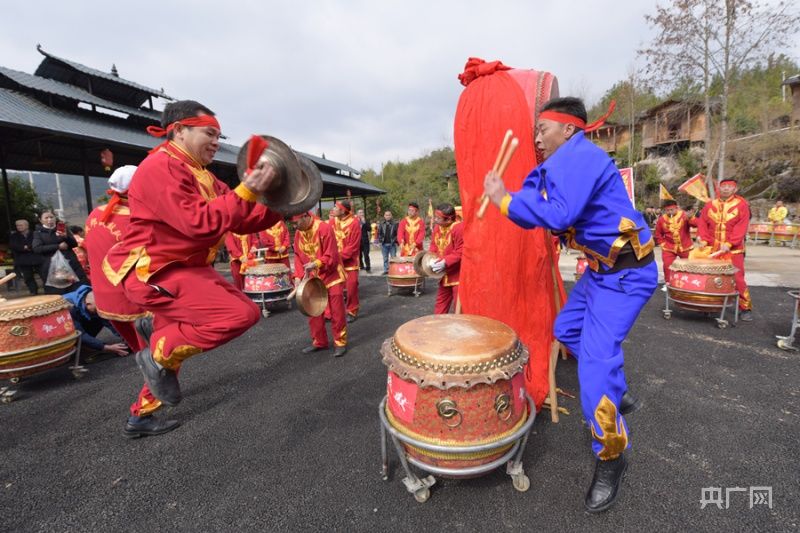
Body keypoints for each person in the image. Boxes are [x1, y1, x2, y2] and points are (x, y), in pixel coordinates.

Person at [483, 96, 656, 513]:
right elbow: (531, 196)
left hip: (626, 276)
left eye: (543, 130)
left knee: (594, 369)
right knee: (566, 331)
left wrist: (505, 200)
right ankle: (618, 390)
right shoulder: (557, 163)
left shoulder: (582, 156)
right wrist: (506, 197)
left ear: (569, 129)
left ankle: (611, 456)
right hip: (601, 273)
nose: (537, 139)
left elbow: (558, 216)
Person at [102, 99, 281, 416]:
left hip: (187, 269)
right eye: (209, 133)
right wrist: (246, 190)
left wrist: (284, 203)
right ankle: (157, 350)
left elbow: (242, 217)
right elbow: (199, 224)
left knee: (176, 345)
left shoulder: (206, 177)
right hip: (155, 272)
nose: (215, 142)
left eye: (218, 136)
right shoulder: (160, 167)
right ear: (180, 130)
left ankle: (141, 414)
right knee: (239, 314)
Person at [84, 164, 176, 438]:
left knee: (143, 350)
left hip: (108, 303)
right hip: (136, 303)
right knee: (163, 352)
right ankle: (141, 415)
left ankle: (162, 387)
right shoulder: (136, 219)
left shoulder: (95, 215)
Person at [292, 210, 348, 357]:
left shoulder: (324, 228)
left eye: (296, 223)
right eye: (292, 224)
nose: (294, 227)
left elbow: (332, 255)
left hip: (332, 274)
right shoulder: (299, 233)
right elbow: (297, 256)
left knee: (337, 311)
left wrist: (316, 263)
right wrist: (297, 277)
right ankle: (319, 341)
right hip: (313, 277)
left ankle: (340, 342)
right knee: (313, 310)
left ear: (305, 216)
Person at [696, 178, 752, 321]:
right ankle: (710, 305)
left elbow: (741, 227)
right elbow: (702, 223)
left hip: (734, 251)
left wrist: (730, 243)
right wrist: (702, 239)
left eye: (729, 186)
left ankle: (745, 307)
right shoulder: (710, 205)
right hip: (714, 250)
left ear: (735, 189)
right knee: (711, 279)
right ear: (719, 189)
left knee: (738, 279)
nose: (726, 189)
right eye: (723, 186)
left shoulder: (742, 205)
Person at [62, 285, 129, 358]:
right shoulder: (68, 308)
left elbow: (109, 322)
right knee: (80, 335)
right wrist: (106, 347)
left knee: (101, 316)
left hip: (81, 320)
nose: (98, 311)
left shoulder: (93, 298)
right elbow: (79, 334)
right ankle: (79, 347)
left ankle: (89, 345)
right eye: (96, 309)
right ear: (88, 304)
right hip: (63, 331)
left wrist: (128, 338)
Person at [32, 211, 89, 294]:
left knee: (79, 289)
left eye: (51, 217)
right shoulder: (38, 233)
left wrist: (66, 237)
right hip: (53, 267)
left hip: (71, 263)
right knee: (58, 293)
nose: (49, 220)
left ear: (55, 218)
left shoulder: (63, 229)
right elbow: (37, 248)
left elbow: (74, 244)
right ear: (40, 220)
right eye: (46, 218)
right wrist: (57, 246)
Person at [428, 203, 463, 314]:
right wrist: (431, 258)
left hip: (458, 276)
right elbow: (433, 246)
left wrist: (445, 261)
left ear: (448, 220)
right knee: (440, 306)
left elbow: (461, 251)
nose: (435, 220)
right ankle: (437, 328)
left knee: (459, 309)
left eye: (438, 218)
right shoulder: (437, 228)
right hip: (443, 275)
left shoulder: (459, 228)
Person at [332, 200, 361, 322]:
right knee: (334, 290)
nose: (333, 209)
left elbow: (353, 246)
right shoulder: (333, 221)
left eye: (335, 207)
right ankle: (332, 313)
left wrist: (338, 256)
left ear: (343, 211)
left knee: (351, 288)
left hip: (350, 262)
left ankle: (352, 311)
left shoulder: (354, 223)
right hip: (334, 262)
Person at [654, 200, 695, 286]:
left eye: (672, 210)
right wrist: (662, 244)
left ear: (677, 208)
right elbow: (658, 234)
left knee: (690, 265)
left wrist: (691, 218)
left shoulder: (684, 215)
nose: (670, 212)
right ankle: (668, 283)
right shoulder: (661, 220)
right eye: (667, 210)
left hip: (685, 246)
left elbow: (695, 225)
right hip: (669, 247)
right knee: (667, 266)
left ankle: (691, 282)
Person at [9, 219, 42, 295]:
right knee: (28, 277)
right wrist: (24, 248)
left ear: (27, 226)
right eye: (17, 225)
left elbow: (37, 244)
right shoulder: (14, 236)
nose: (18, 227)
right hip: (23, 260)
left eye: (21, 225)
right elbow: (14, 246)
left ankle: (48, 290)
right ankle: (33, 291)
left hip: (37, 258)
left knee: (43, 274)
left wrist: (27, 247)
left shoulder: (35, 233)